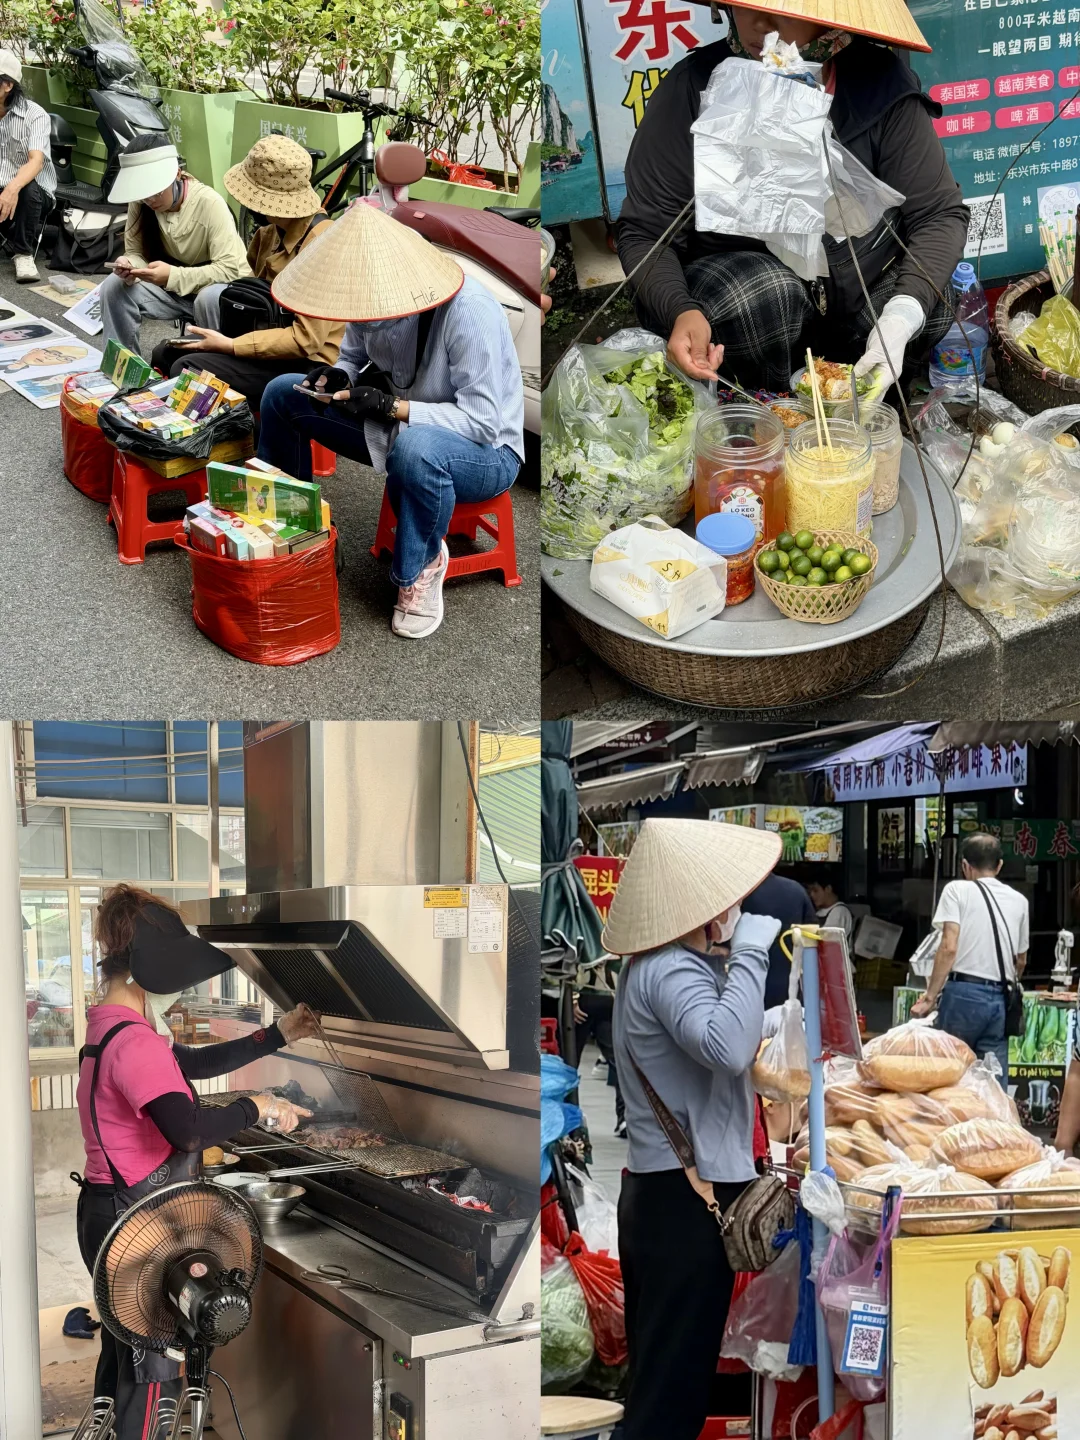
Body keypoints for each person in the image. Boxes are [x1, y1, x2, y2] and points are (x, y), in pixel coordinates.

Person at [617, 1, 968, 391]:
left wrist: (901, 316)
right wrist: (679, 310)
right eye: (744, 4)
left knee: (929, 298)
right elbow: (646, 233)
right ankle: (763, 406)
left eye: (783, 8)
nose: (759, 23)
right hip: (754, 311)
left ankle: (868, 392)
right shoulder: (691, 87)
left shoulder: (881, 82)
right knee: (768, 294)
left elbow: (938, 214)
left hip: (853, 303)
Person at [74, 884, 321, 1440]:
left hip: (110, 1212)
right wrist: (257, 1106)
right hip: (138, 1222)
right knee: (152, 1371)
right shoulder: (134, 1042)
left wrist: (279, 1034)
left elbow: (195, 1063)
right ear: (149, 969)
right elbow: (187, 1131)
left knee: (126, 1354)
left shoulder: (111, 1025)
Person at [257, 200, 524, 640]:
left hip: (486, 453)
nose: (362, 319)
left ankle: (420, 569)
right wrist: (339, 376)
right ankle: (298, 536)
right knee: (282, 394)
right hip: (404, 427)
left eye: (371, 312)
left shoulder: (469, 310)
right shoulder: (366, 293)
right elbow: (352, 355)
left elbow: (483, 424)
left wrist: (391, 407)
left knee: (416, 448)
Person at [608, 818, 784, 1440]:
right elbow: (726, 1048)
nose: (733, 909)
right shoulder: (670, 969)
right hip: (683, 1200)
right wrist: (753, 951)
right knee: (669, 1398)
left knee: (665, 1384)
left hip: (667, 1194)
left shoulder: (659, 965)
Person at [150, 135, 344, 410]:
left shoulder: (321, 245)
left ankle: (229, 431)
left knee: (188, 367)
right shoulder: (269, 233)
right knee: (165, 352)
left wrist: (230, 346)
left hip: (308, 364)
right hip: (269, 340)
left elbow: (306, 340)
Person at [98, 133, 251, 354]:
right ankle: (121, 367)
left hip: (218, 294)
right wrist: (129, 264)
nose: (150, 200)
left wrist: (172, 276)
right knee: (114, 286)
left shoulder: (209, 203)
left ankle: (211, 369)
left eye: (156, 191)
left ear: (177, 174)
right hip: (173, 290)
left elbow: (228, 270)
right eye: (144, 195)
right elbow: (135, 252)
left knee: (207, 297)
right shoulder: (141, 202)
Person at [911, 833, 1028, 1082]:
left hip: (963, 995)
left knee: (952, 1074)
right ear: (999, 865)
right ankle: (995, 1109)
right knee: (992, 1079)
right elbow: (1021, 961)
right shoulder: (1020, 901)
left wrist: (930, 997)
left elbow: (948, 947)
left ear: (965, 865)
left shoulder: (956, 890)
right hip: (1001, 999)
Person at [0, 50, 55, 284]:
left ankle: (23, 253)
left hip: (33, 194)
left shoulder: (35, 115)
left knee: (27, 187)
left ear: (7, 85)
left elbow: (36, 162)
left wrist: (11, 188)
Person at [742, 868, 816, 1009]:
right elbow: (812, 938)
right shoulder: (796, 890)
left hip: (747, 987)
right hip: (789, 986)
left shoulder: (740, 893)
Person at [806, 868, 853, 941]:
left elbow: (828, 940)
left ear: (828, 889)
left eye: (815, 890)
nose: (811, 895)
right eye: (810, 891)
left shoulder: (839, 911)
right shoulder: (819, 912)